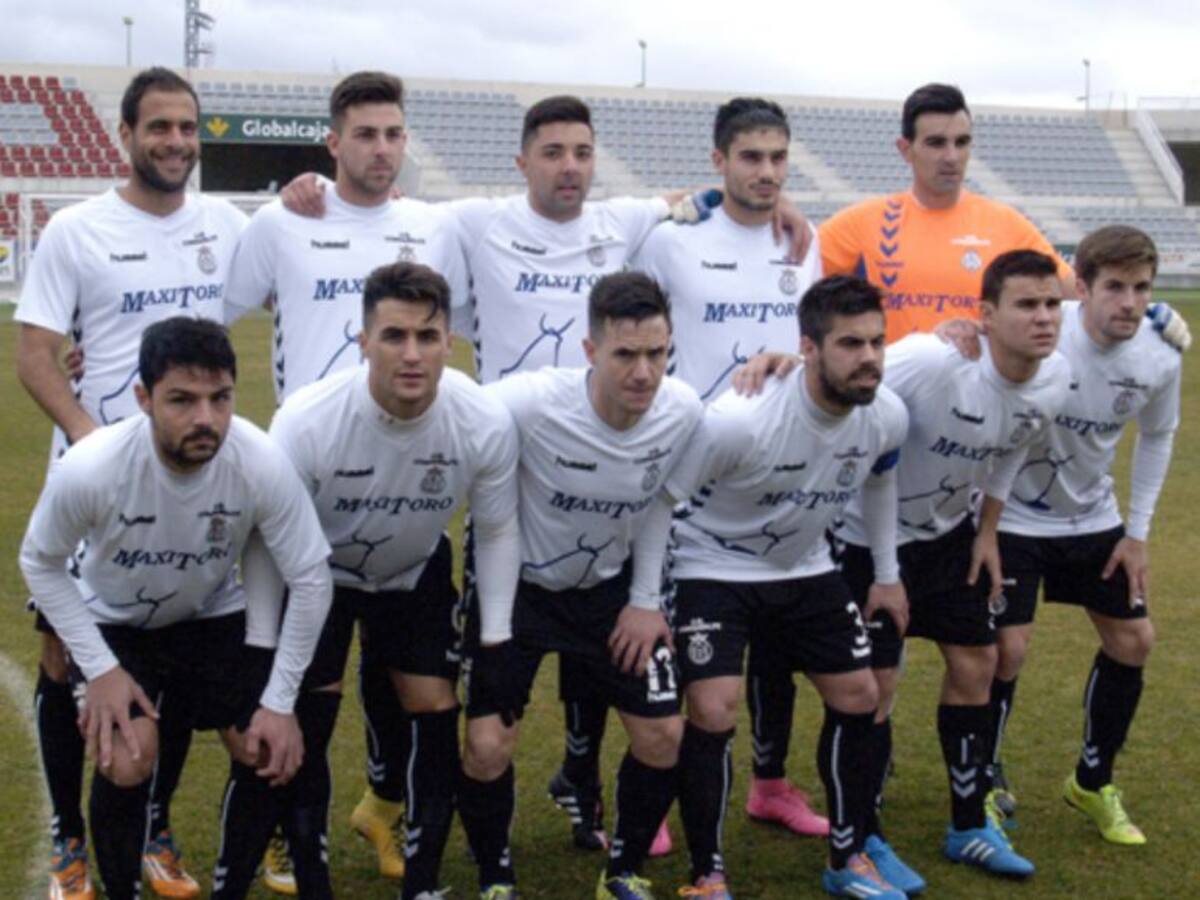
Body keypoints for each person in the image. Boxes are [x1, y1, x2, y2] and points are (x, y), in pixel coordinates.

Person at [280, 92, 811, 856]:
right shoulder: (474, 222)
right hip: (512, 457)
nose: (570, 167)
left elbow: (702, 199)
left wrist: (775, 203)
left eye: (583, 153)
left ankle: (582, 786)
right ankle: (389, 796)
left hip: (608, 448)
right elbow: (384, 210)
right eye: (554, 152)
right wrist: (318, 189)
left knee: (595, 621)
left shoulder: (623, 222)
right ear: (521, 161)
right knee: (415, 637)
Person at [225, 70, 468, 887]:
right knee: (305, 689)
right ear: (333, 143)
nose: (382, 148)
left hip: (402, 491)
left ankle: (381, 812)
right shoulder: (283, 221)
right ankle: (282, 832)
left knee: (406, 686)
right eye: (365, 134)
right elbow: (209, 312)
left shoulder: (434, 227)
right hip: (309, 487)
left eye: (394, 133)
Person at [14, 66, 248, 900]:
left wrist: (314, 193)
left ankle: (153, 827)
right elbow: (36, 356)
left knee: (172, 657)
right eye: (159, 127)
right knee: (62, 659)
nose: (176, 142)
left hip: (191, 484)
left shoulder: (228, 226)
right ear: (125, 135)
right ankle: (69, 838)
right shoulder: (77, 231)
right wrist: (93, 441)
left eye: (187, 127)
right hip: (96, 491)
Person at [18, 317, 332, 900]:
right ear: (144, 398)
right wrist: (102, 669)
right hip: (116, 620)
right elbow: (39, 562)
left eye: (220, 398)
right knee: (128, 757)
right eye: (182, 400)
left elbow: (311, 578)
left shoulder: (259, 460)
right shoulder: (94, 467)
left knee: (266, 748)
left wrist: (280, 701)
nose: (205, 418)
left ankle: (228, 888)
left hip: (208, 614)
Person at [237, 261, 519, 900]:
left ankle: (422, 881)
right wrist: (260, 642)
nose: (412, 354)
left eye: (427, 336)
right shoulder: (308, 420)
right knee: (309, 712)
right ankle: (309, 870)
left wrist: (498, 640)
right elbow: (264, 540)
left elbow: (498, 529)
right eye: (394, 336)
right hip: (317, 575)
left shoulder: (482, 419)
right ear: (363, 341)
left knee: (435, 708)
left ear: (450, 342)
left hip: (411, 570)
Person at [660, 275, 909, 899]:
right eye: (850, 343)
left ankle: (848, 857)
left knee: (860, 693)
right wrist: (647, 598)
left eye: (877, 342)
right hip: (711, 565)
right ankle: (707, 875)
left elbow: (880, 482)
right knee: (713, 707)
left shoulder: (886, 415)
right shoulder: (739, 421)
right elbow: (665, 502)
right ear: (809, 348)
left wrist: (887, 575)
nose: (869, 358)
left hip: (805, 567)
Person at [458, 272, 703, 900]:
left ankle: (623, 870)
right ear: (591, 351)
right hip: (519, 589)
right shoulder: (531, 402)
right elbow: (454, 413)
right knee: (486, 744)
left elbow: (661, 502)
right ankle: (495, 877)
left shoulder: (682, 411)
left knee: (663, 734)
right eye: (625, 354)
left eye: (657, 353)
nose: (643, 373)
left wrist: (645, 602)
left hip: (609, 592)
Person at [833, 249, 1071, 885]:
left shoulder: (1053, 379)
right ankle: (865, 835)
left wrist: (987, 529)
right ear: (985, 315)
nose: (1044, 317)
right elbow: (842, 381)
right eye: (1027, 304)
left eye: (1052, 304)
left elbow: (1013, 448)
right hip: (866, 537)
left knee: (978, 663)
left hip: (948, 537)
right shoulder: (932, 361)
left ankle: (968, 825)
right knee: (875, 685)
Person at [630, 96, 829, 845]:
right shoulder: (670, 243)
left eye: (778, 158)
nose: (767, 172)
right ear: (719, 161)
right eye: (751, 157)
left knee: (775, 646)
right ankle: (650, 794)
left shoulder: (802, 241)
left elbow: (814, 343)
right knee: (675, 648)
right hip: (690, 472)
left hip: (783, 476)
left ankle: (770, 785)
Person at [985, 226, 1180, 844]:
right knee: (1006, 649)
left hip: (1092, 517)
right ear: (1081, 288)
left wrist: (1137, 534)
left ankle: (1092, 782)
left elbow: (1158, 435)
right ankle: (984, 776)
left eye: (1142, 288)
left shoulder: (1160, 353)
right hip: (1013, 517)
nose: (1130, 302)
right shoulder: (1044, 331)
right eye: (1115, 287)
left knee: (1134, 639)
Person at [818, 83, 1075, 344]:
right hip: (891, 370)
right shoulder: (860, 224)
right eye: (936, 143)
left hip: (977, 370)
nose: (951, 156)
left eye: (961, 142)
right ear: (906, 150)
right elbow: (796, 285)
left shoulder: (1007, 226)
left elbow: (1074, 296)